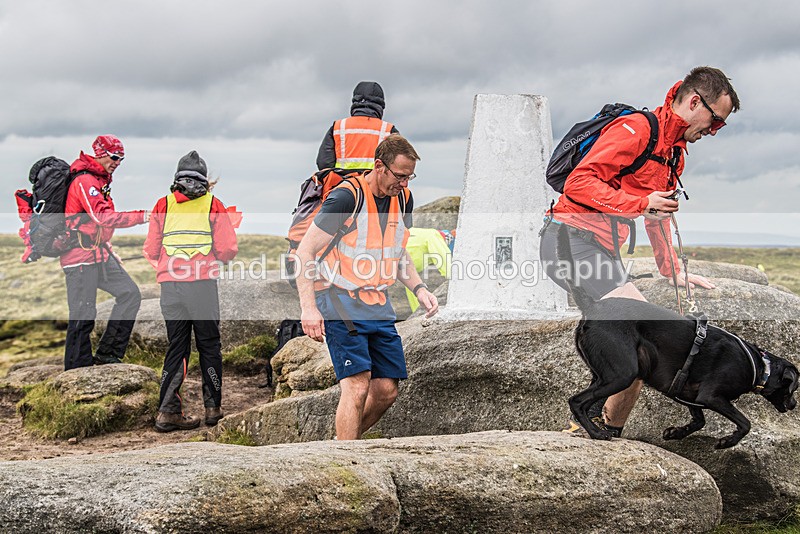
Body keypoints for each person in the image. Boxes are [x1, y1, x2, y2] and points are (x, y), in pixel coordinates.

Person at [539, 66, 740, 436]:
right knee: (638, 338)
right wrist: (640, 201)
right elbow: (579, 181)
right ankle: (592, 428)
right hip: (569, 241)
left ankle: (605, 432)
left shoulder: (674, 153)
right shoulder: (636, 129)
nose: (713, 132)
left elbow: (657, 215)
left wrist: (672, 270)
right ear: (695, 101)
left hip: (601, 250)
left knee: (643, 348)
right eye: (716, 122)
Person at [297, 134, 438, 440]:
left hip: (378, 303)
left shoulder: (404, 199)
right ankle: (347, 463)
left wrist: (419, 288)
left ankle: (342, 443)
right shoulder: (347, 198)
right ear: (379, 166)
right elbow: (305, 251)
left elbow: (397, 251)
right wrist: (309, 308)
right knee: (358, 384)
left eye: (409, 176)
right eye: (400, 176)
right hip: (338, 300)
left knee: (386, 390)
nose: (404, 183)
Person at [143, 151, 238, 432]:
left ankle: (167, 412)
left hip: (170, 286)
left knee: (177, 347)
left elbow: (150, 249)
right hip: (202, 285)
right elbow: (227, 249)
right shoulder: (213, 204)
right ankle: (213, 409)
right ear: (205, 180)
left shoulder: (164, 204)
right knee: (209, 345)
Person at [62, 135, 148, 371]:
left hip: (98, 254)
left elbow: (97, 224)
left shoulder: (100, 181)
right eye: (114, 157)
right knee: (83, 313)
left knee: (130, 293)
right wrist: (144, 216)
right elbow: (102, 217)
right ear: (100, 153)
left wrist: (108, 249)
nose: (118, 162)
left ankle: (108, 355)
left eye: (121, 158)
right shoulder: (86, 181)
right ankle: (75, 370)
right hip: (78, 258)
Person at [316, 81, 400, 172]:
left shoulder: (338, 127)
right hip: (376, 185)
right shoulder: (389, 130)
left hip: (343, 183)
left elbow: (324, 163)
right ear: (381, 105)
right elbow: (399, 164)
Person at [404, 227, 452, 312]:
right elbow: (447, 265)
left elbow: (411, 281)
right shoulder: (433, 235)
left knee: (414, 284)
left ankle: (421, 311)